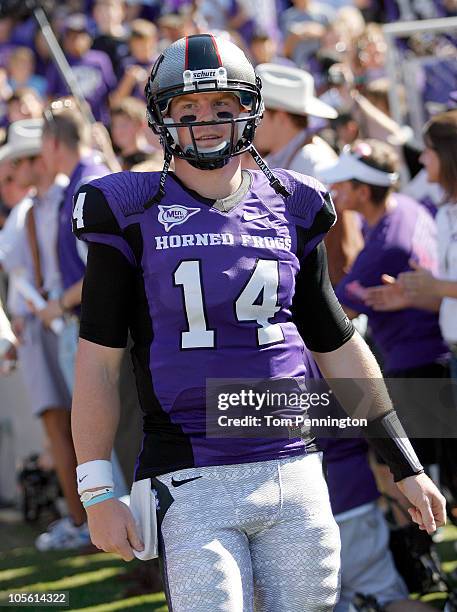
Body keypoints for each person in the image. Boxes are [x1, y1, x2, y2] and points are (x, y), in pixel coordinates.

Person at [71, 34, 445, 612]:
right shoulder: (126, 209)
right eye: (188, 109)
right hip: (190, 473)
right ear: (160, 117)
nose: (207, 121)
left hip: (293, 466)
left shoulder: (295, 203)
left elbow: (337, 344)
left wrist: (403, 462)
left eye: (223, 105)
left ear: (251, 109)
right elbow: (98, 361)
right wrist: (97, 489)